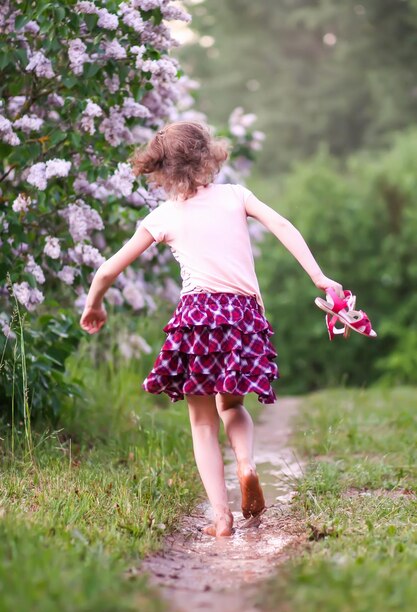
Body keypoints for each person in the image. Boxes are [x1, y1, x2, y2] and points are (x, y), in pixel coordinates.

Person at [80, 121, 343, 538]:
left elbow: (108, 270)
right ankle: (247, 464)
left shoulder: (163, 216)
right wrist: (319, 277)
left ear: (160, 170)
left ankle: (220, 518)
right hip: (242, 316)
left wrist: (94, 305)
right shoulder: (236, 196)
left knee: (202, 422)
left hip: (197, 317)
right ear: (210, 156)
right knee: (232, 407)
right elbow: (283, 226)